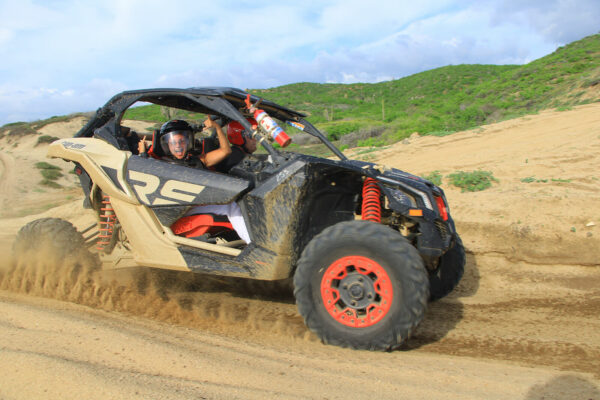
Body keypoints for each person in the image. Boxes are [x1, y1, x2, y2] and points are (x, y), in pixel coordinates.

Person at [138, 117, 250, 243]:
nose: (178, 146)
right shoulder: (159, 164)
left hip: (195, 206)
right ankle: (251, 243)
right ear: (167, 144)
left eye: (181, 141)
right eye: (173, 142)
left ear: (188, 141)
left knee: (236, 202)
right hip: (176, 213)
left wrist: (217, 128)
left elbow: (225, 150)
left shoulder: (197, 161)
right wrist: (143, 154)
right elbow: (143, 175)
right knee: (230, 206)